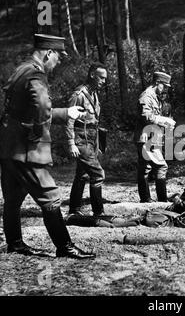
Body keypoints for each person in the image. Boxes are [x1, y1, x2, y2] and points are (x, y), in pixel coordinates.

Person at [0, 34, 95, 259]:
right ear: (48, 53)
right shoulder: (36, 73)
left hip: (7, 146)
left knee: (13, 198)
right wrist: (37, 131)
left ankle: (14, 243)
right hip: (26, 150)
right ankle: (65, 247)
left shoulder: (20, 69)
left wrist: (64, 113)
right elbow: (41, 106)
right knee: (50, 197)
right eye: (58, 58)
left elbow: (16, 107)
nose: (58, 63)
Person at [65, 63, 107, 217]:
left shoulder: (94, 93)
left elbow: (94, 120)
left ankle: (74, 209)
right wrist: (71, 143)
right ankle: (99, 212)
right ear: (91, 75)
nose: (103, 81)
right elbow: (69, 120)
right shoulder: (79, 94)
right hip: (80, 138)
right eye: (101, 77)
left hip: (91, 137)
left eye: (104, 78)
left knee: (82, 174)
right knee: (98, 174)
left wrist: (98, 145)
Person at [134, 71, 176, 203]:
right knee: (161, 167)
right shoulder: (147, 96)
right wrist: (164, 120)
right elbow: (145, 116)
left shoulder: (154, 96)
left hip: (149, 138)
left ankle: (146, 199)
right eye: (165, 86)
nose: (166, 89)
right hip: (146, 138)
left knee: (145, 169)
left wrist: (164, 123)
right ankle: (162, 199)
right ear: (157, 83)